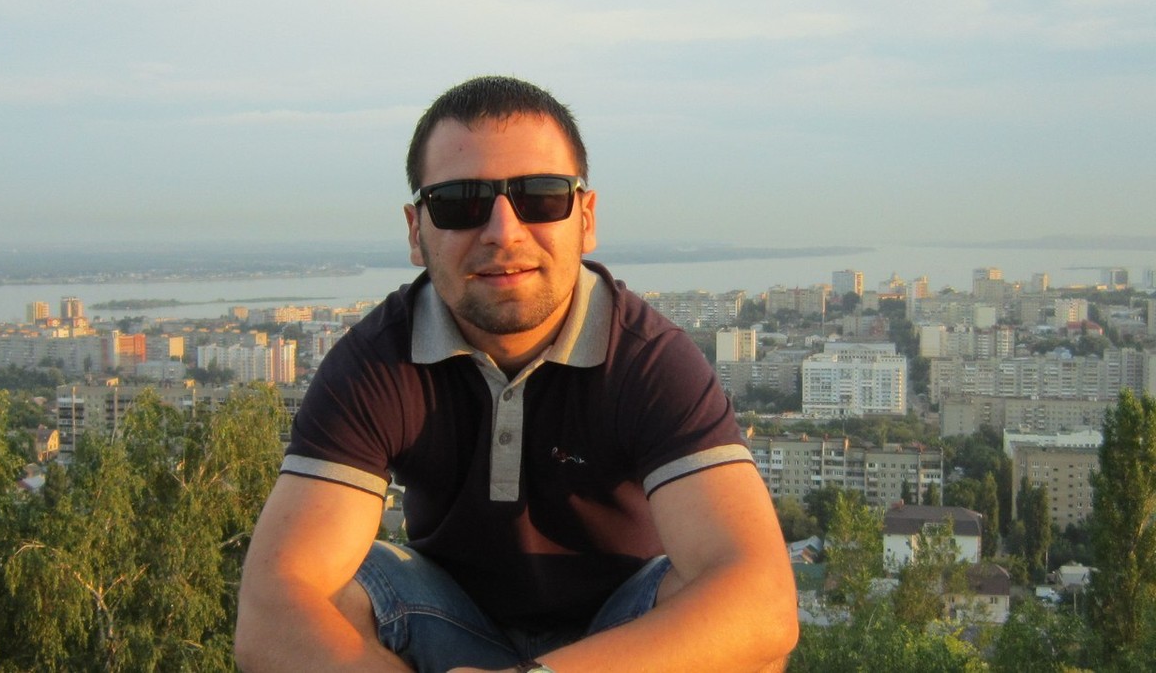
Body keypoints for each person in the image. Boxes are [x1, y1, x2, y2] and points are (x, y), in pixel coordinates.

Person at [234, 76, 798, 672]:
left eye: (541, 197)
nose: (503, 233)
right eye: (460, 203)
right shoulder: (379, 361)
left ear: (586, 218)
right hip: (446, 628)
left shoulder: (646, 358)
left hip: (621, 638)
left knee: (731, 626)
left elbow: (763, 602)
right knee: (335, 593)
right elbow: (273, 610)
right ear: (416, 231)